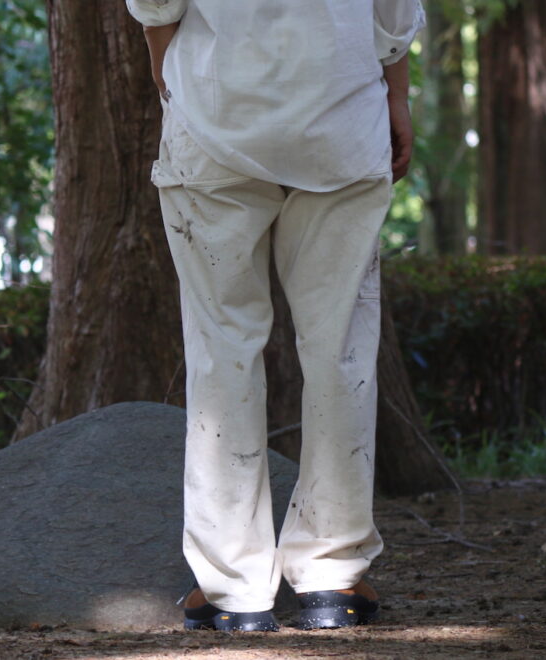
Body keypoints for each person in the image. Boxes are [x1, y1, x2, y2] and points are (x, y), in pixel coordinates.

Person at [126, 0, 426, 632]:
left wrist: (163, 67)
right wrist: (397, 97)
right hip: (341, 121)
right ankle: (332, 575)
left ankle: (232, 587)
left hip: (216, 118)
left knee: (222, 349)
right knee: (340, 350)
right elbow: (393, 16)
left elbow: (157, 6)